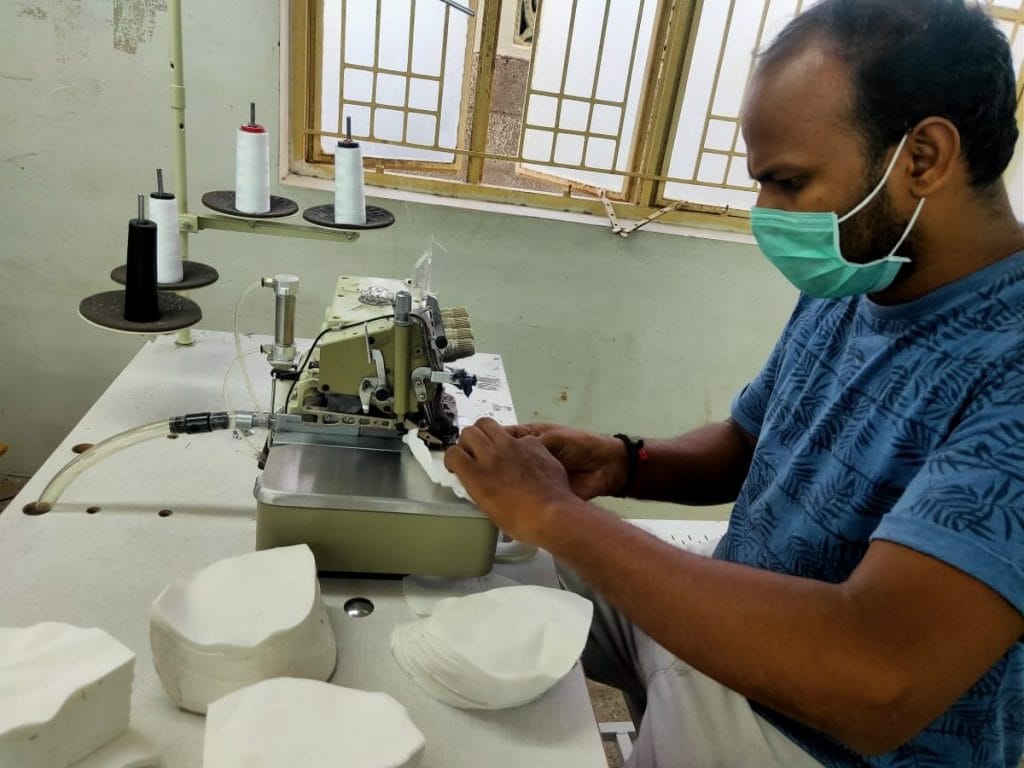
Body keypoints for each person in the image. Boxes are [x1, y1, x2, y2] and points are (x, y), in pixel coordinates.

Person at [444, 1, 1024, 766]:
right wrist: (625, 461)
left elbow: (878, 678)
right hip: (730, 606)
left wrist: (557, 513)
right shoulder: (859, 275)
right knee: (481, 566)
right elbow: (750, 442)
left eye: (789, 181)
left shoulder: (1007, 364)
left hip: (815, 733)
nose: (764, 214)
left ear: (923, 157)